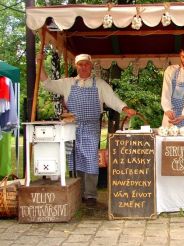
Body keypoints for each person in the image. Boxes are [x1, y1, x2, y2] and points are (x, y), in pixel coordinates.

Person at [37, 53, 136, 206]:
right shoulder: (67, 83)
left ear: (91, 66)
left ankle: (90, 195)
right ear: (76, 66)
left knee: (90, 159)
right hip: (72, 127)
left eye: (86, 64)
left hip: (91, 127)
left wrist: (125, 108)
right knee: (75, 160)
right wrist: (40, 62)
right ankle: (77, 192)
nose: (83, 67)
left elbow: (112, 99)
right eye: (80, 64)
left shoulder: (100, 84)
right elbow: (46, 83)